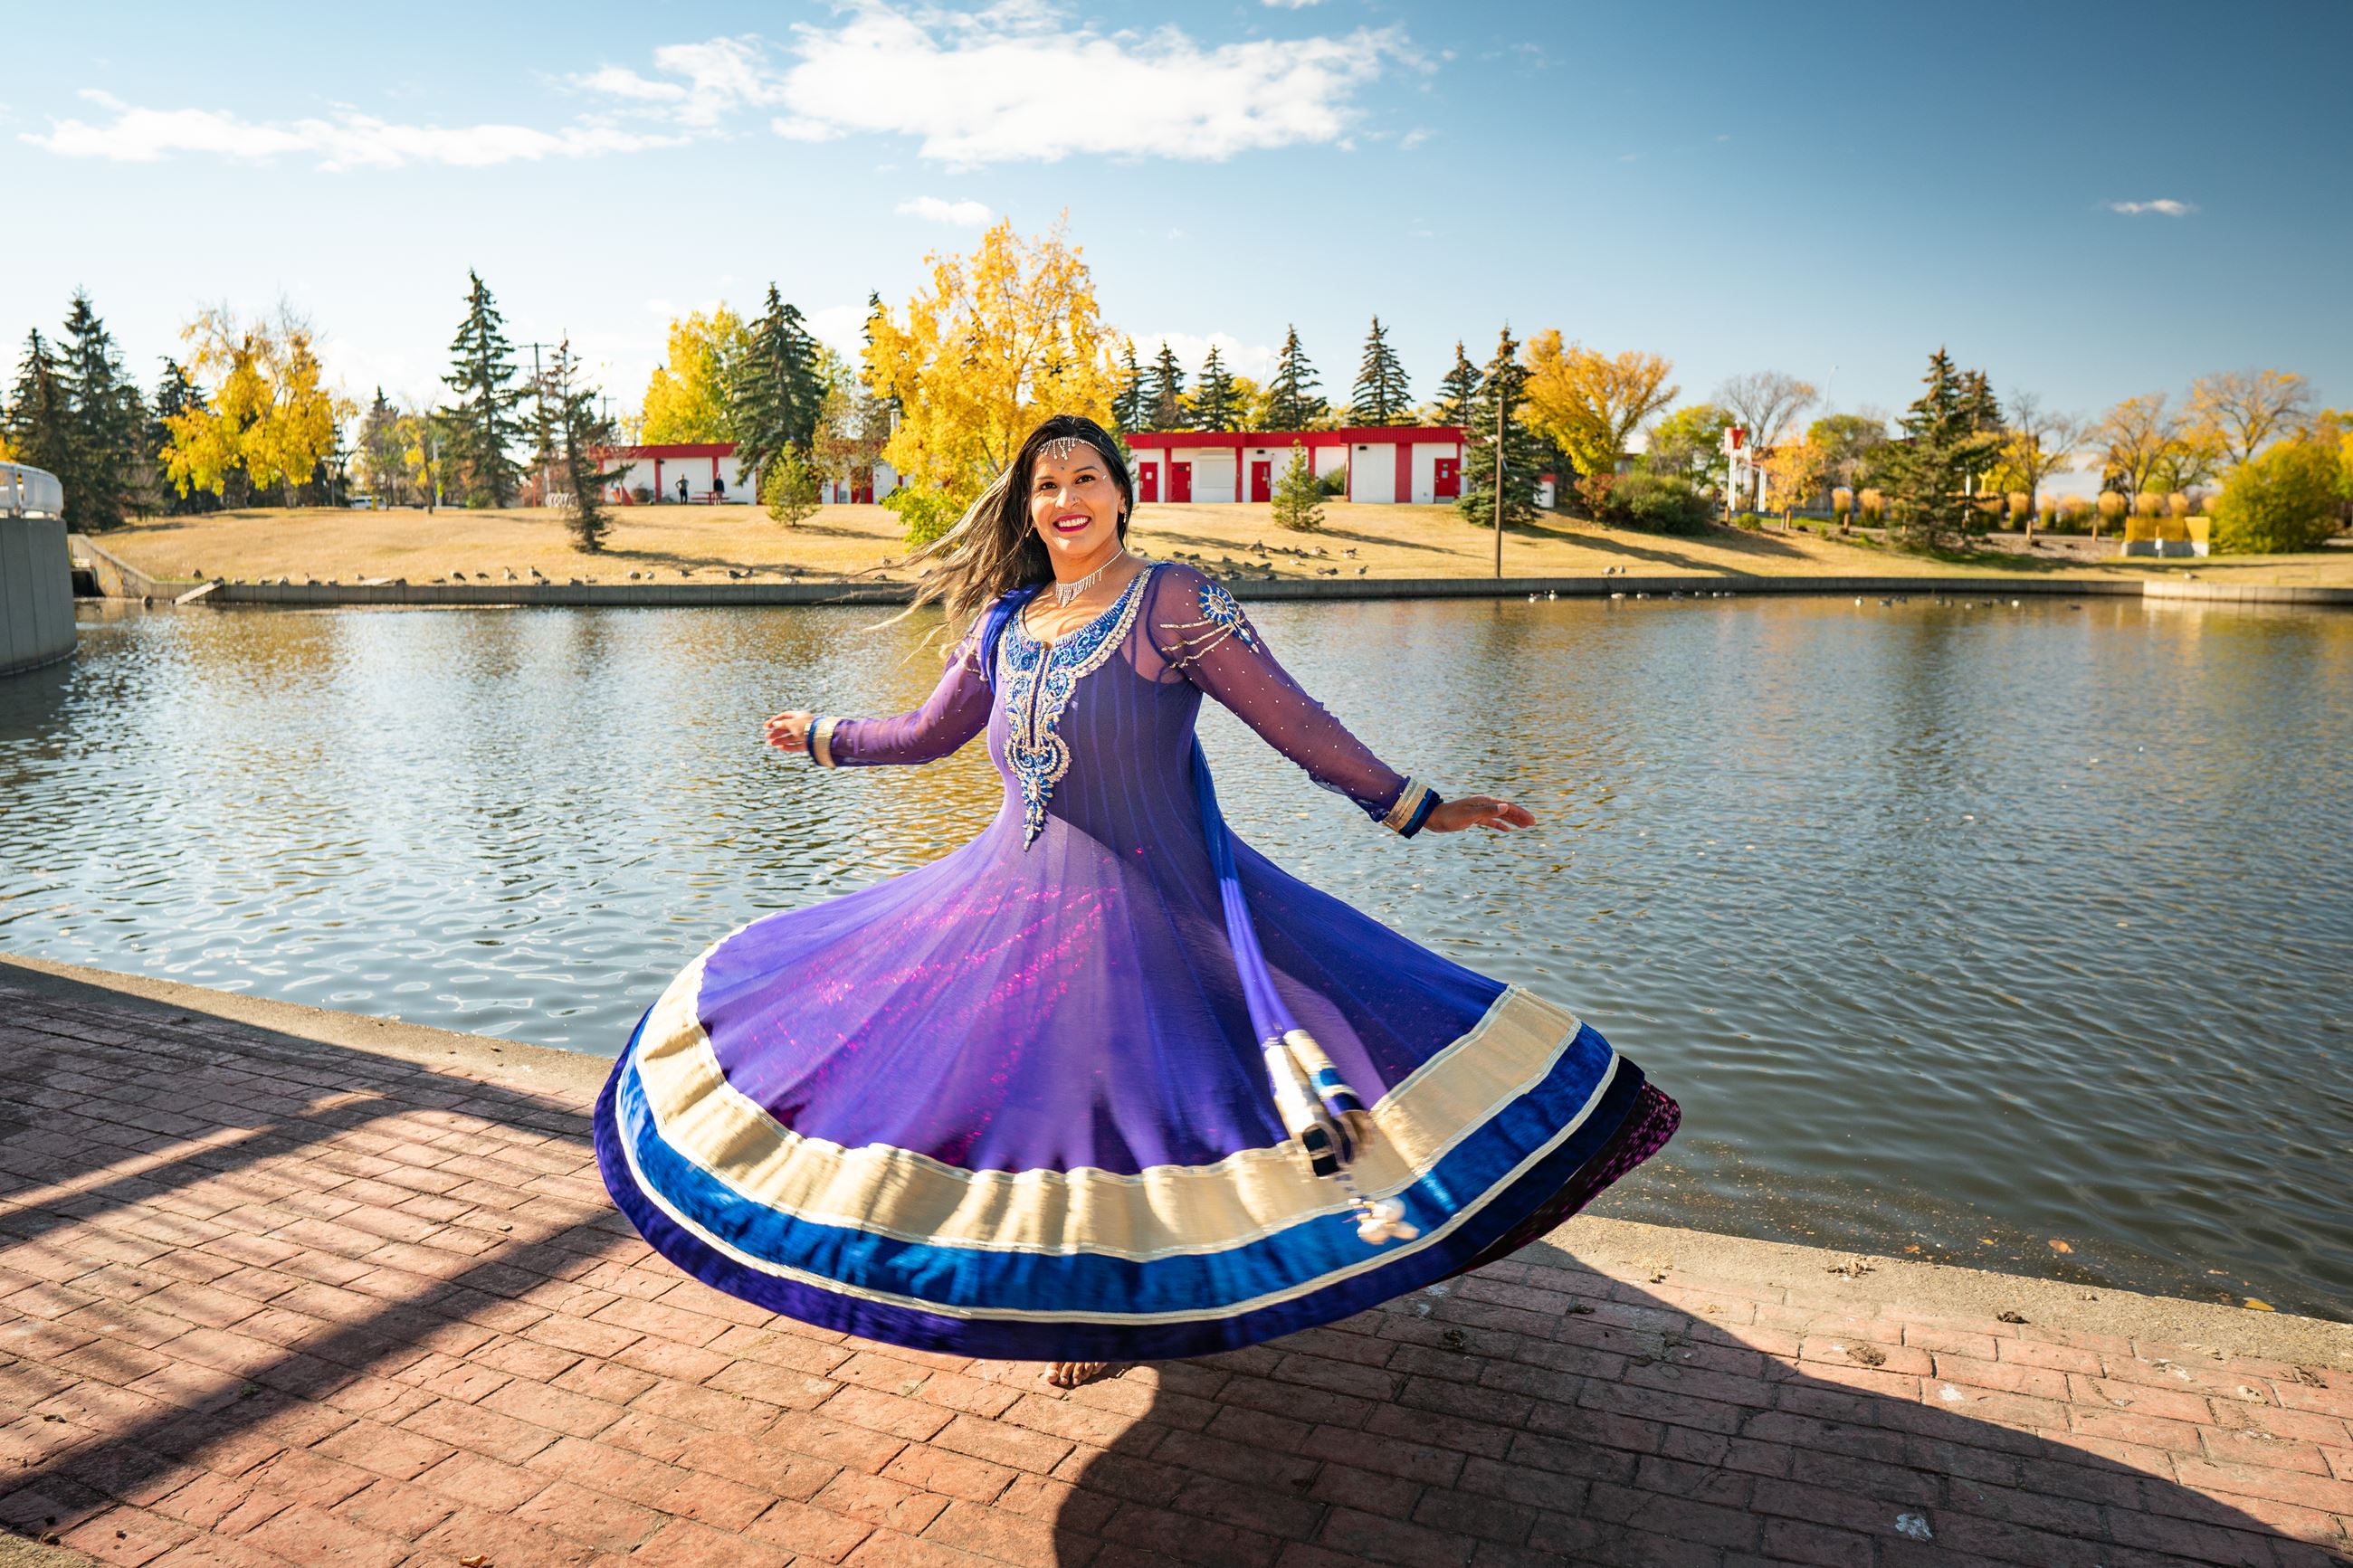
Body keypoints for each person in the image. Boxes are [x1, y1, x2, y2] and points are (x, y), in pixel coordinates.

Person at [595, 413, 1677, 1391]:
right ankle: (1075, 1292)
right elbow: (929, 733)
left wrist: (1417, 806)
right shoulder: (1006, 619)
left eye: (1083, 477)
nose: (1064, 498)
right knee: (1027, 1107)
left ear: (1121, 492)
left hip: (1148, 896)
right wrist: (825, 734)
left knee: (1129, 1105)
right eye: (1042, 485)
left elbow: (1293, 724)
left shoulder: (1175, 601)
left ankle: (1117, 1311)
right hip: (1004, 895)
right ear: (1028, 510)